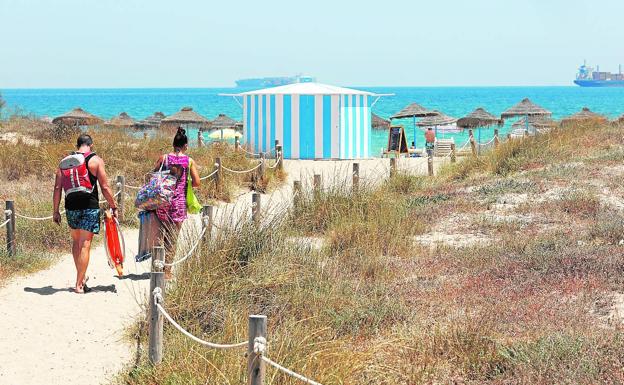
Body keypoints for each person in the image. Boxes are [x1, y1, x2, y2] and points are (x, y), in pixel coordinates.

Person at [53, 134, 118, 293]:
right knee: (85, 244)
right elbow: (105, 187)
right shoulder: (96, 160)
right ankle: (79, 285)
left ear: (77, 145)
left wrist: (55, 211)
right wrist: (113, 205)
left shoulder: (65, 162)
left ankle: (80, 278)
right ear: (91, 145)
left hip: (71, 206)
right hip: (89, 206)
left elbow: (57, 188)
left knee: (76, 242)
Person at [154, 127, 200, 279]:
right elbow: (197, 182)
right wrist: (183, 185)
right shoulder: (189, 161)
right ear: (185, 145)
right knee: (173, 238)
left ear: (173, 144)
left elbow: (153, 176)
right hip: (179, 202)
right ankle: (167, 271)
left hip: (163, 201)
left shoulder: (164, 158)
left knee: (161, 235)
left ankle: (157, 266)